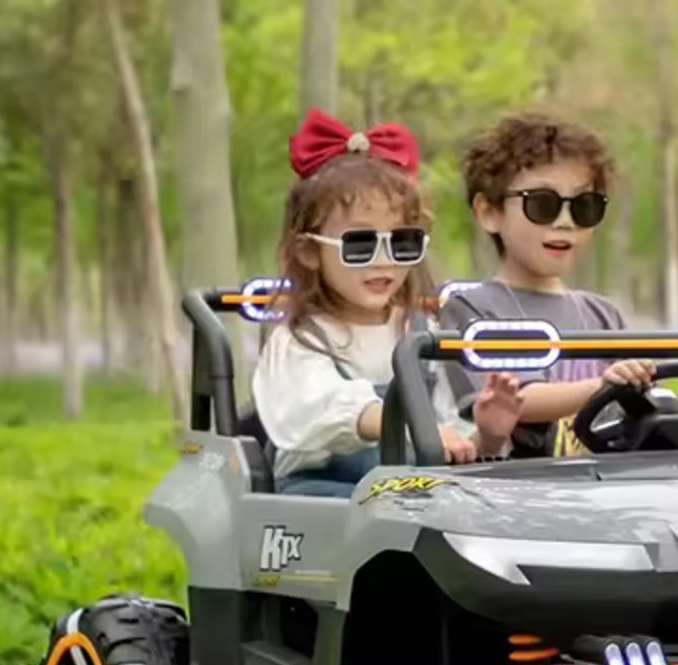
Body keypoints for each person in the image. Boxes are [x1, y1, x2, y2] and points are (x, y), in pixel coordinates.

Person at [254, 109, 521, 496]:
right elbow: (313, 412)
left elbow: (445, 438)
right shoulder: (300, 340)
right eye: (359, 244)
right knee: (383, 508)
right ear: (309, 252)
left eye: (402, 242)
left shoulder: (420, 332)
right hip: (326, 502)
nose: (384, 259)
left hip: (412, 497)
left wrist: (487, 436)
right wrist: (404, 420)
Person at [441, 113, 654, 457]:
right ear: (489, 213)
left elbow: (639, 403)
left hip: (610, 489)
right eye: (543, 204)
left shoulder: (602, 314)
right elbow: (515, 402)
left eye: (584, 207)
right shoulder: (472, 310)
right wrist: (605, 387)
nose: (565, 222)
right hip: (523, 495)